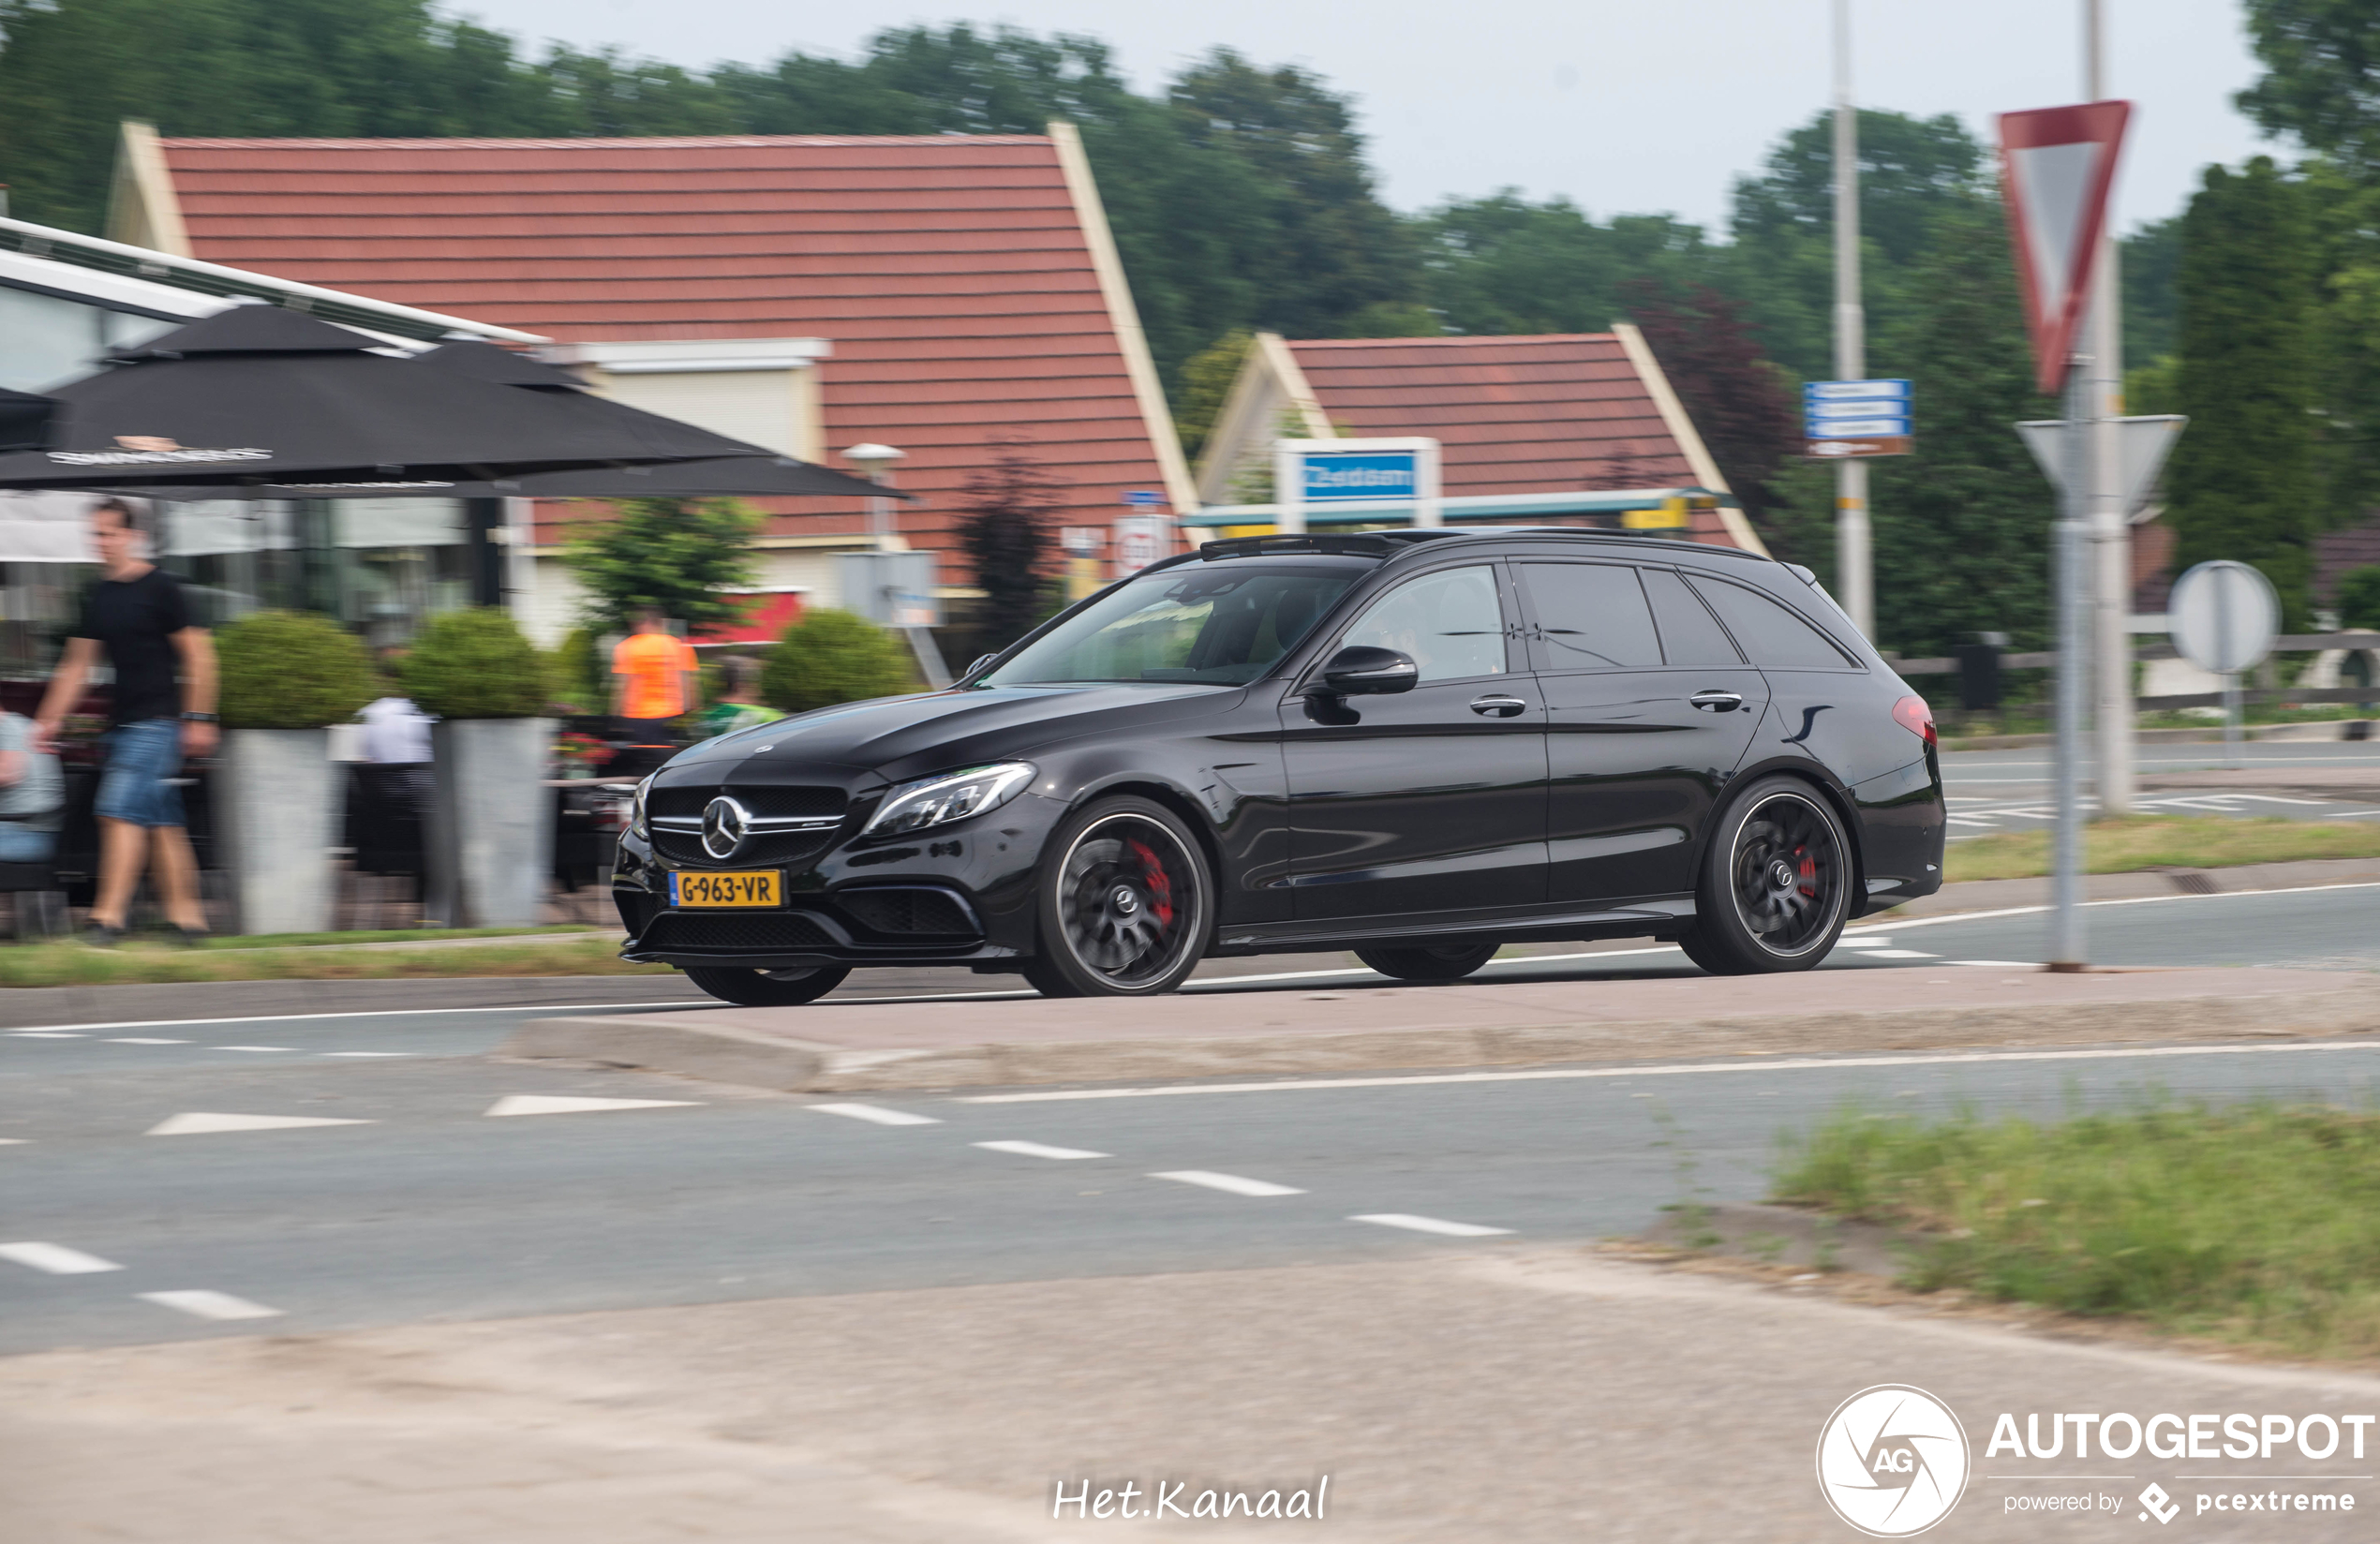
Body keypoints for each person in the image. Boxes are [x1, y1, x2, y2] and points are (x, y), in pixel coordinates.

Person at [37, 498, 218, 944]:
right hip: (123, 725)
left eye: (109, 534)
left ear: (134, 536)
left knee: (117, 813)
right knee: (161, 824)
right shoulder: (100, 594)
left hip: (159, 722)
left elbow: (200, 657)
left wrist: (199, 718)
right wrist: (47, 722)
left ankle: (107, 919)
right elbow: (77, 664)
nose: (101, 543)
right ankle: (189, 922)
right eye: (95, 534)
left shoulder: (163, 588)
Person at [610, 607, 698, 744]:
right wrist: (692, 713)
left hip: (636, 716)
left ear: (643, 623)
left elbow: (621, 686)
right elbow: (689, 685)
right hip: (672, 716)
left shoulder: (627, 647)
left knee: (641, 758)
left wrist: (614, 715)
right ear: (660, 623)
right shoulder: (680, 647)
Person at [0, 707, 63, 863]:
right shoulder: (21, 723)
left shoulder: (6, 727)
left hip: (26, 835)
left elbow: (7, 775)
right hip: (26, 832)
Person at [696, 655, 783, 739]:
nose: (761, 692)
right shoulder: (767, 717)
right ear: (740, 685)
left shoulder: (702, 718)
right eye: (756, 683)